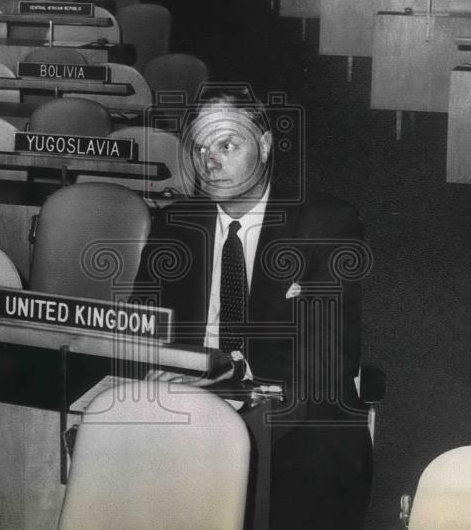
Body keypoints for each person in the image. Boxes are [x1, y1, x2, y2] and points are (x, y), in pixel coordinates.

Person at [133, 86, 373, 529]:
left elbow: (328, 355)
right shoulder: (174, 225)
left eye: (228, 144)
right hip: (189, 402)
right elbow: (141, 328)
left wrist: (229, 379)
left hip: (291, 414)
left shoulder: (328, 224)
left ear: (263, 146)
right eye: (201, 148)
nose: (211, 161)